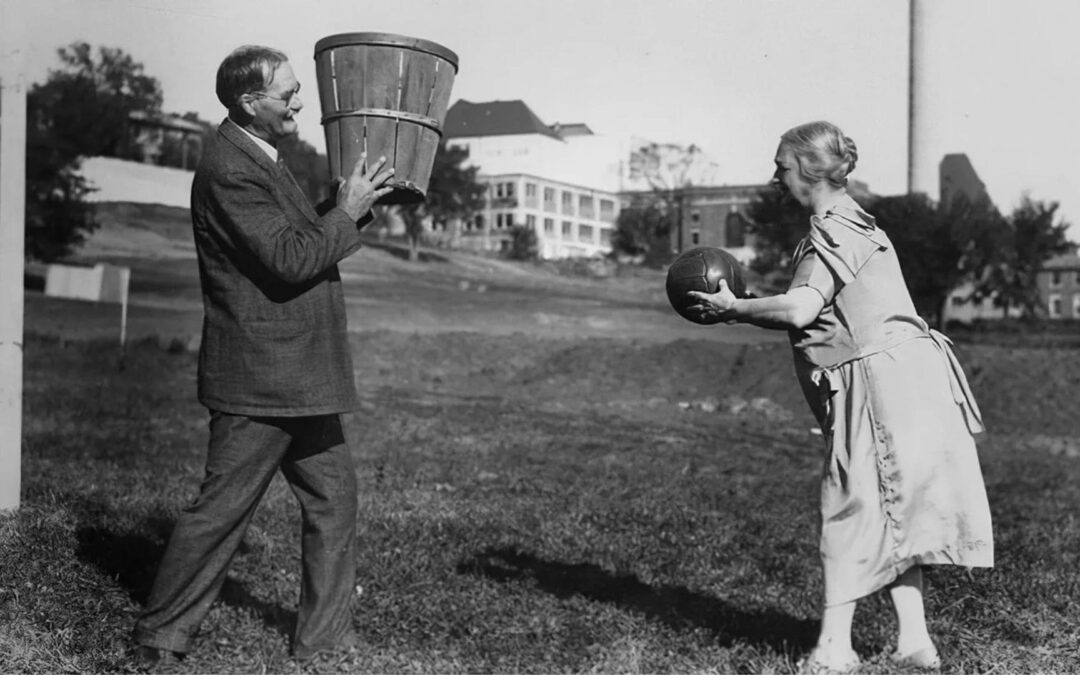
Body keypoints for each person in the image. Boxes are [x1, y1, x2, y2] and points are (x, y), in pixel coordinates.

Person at [688, 121, 993, 673]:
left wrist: (733, 308)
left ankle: (834, 649)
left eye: (781, 165)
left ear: (808, 169)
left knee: (849, 505)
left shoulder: (837, 229)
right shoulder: (853, 224)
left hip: (881, 385)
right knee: (894, 507)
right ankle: (916, 643)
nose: (775, 176)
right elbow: (816, 316)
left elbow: (802, 309)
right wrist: (752, 306)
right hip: (901, 379)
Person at [132, 45, 394, 664]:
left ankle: (321, 640)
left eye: (299, 90)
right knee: (220, 512)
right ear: (251, 102)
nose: (300, 102)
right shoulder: (231, 168)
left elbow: (297, 241)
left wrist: (348, 209)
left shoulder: (261, 157)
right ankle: (156, 640)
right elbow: (291, 260)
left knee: (335, 499)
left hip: (297, 374)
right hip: (261, 376)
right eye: (289, 94)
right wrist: (347, 213)